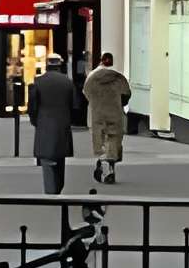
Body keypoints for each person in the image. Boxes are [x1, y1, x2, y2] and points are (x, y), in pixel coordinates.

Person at [28, 52, 77, 196]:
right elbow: (75, 105)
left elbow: (32, 106)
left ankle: (51, 190)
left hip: (44, 123)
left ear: (47, 65)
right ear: (60, 65)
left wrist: (35, 120)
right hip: (63, 124)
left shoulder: (38, 81)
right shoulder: (67, 82)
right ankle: (59, 186)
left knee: (47, 158)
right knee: (60, 158)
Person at [84, 51, 132, 186]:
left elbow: (86, 93)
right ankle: (110, 168)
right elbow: (126, 95)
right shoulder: (118, 78)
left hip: (97, 114)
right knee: (114, 142)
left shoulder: (92, 77)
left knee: (101, 142)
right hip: (115, 114)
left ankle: (105, 166)